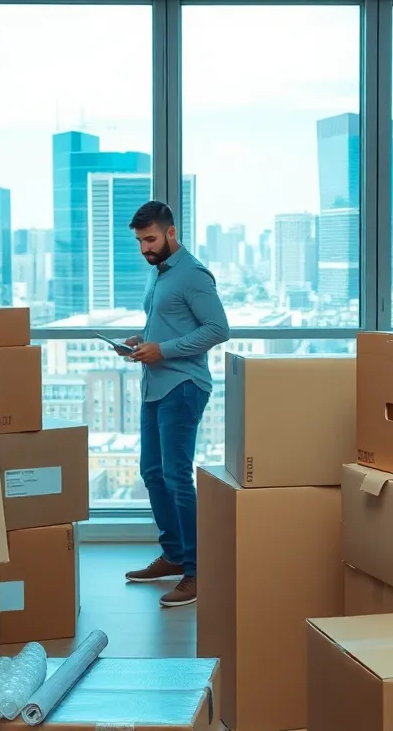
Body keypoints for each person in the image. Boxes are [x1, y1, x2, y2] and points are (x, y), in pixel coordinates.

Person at [116, 200, 229, 608]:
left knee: (177, 476)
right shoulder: (159, 273)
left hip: (183, 386)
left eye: (150, 239)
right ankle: (175, 554)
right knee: (153, 473)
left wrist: (162, 350)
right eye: (139, 241)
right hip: (155, 385)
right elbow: (166, 322)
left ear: (171, 233)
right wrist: (138, 340)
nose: (144, 248)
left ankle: (197, 571)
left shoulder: (192, 274)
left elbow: (219, 329)